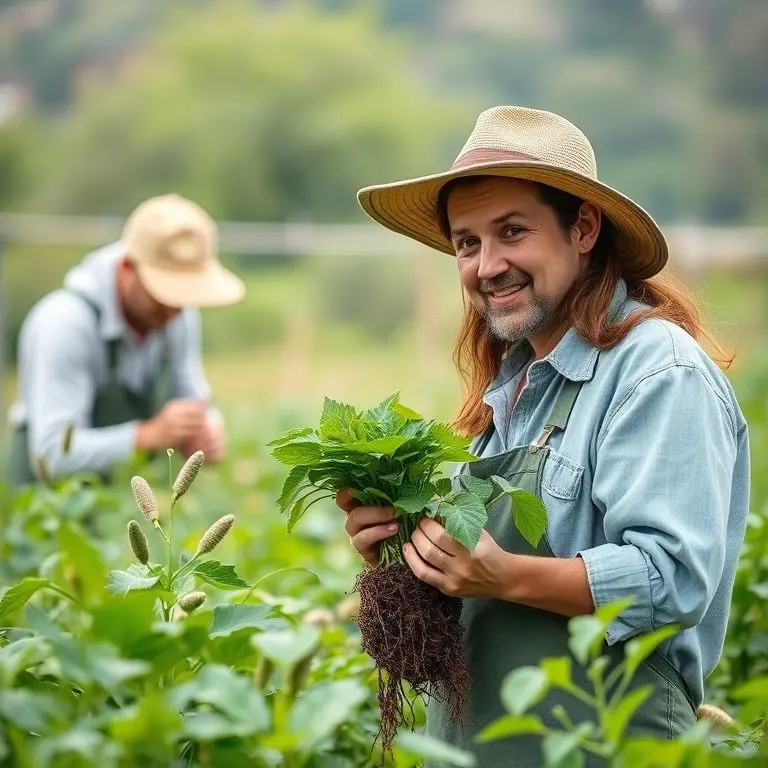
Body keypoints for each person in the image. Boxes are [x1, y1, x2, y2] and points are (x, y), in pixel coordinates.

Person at [338, 106, 750, 765]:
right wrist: (402, 556)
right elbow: (473, 591)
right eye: (467, 243)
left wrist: (503, 575)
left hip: (603, 746)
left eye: (512, 232)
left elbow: (672, 579)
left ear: (583, 228)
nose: (486, 264)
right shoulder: (512, 387)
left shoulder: (656, 373)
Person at [6, 193, 245, 487]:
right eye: (164, 294)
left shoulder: (177, 314)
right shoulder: (65, 323)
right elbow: (53, 455)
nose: (174, 310)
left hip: (118, 506)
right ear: (127, 269)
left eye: (185, 295)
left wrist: (205, 429)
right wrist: (149, 436)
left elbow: (191, 392)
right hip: (43, 515)